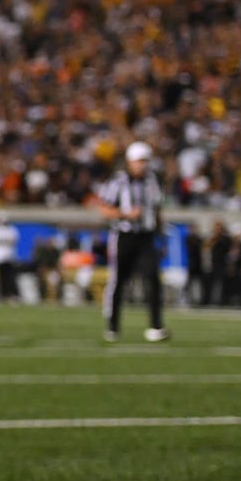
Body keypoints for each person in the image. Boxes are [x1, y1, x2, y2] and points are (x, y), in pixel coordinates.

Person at [93, 141, 168, 342]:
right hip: (124, 235)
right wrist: (126, 214)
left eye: (145, 161)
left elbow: (157, 210)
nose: (142, 165)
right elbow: (103, 209)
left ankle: (156, 325)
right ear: (130, 162)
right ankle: (113, 325)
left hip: (146, 236)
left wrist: (162, 236)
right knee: (119, 280)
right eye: (139, 161)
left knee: (152, 278)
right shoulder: (118, 182)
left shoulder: (153, 181)